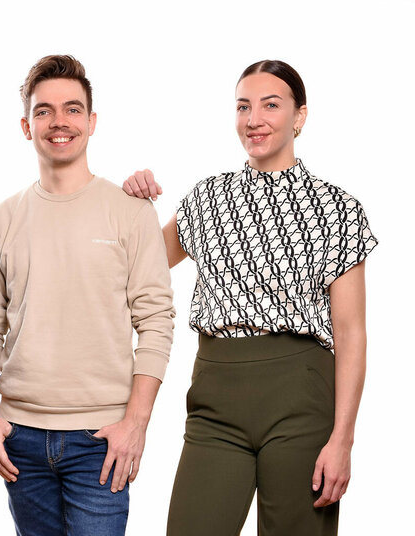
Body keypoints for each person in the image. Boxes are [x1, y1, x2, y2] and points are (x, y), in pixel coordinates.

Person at [124, 60, 376, 535]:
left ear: (300, 116)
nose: (253, 118)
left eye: (270, 105)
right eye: (243, 106)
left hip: (301, 393)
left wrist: (343, 438)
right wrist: (132, 206)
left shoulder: (338, 208)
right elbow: (136, 267)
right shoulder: (207, 198)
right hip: (216, 395)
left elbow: (350, 332)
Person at [0, 55, 175, 536]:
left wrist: (136, 423)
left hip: (101, 439)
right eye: (44, 111)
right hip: (20, 438)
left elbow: (157, 322)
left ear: (91, 121)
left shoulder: (130, 210)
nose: (59, 122)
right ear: (26, 125)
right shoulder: (3, 217)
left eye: (72, 110)